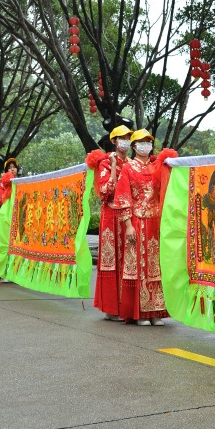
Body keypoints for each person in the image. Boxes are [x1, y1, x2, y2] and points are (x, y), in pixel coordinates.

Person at [112, 129, 176, 326]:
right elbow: (123, 197)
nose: (145, 145)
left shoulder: (159, 166)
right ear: (134, 146)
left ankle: (157, 311)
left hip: (157, 222)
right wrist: (128, 225)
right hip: (138, 222)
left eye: (148, 142)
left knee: (157, 266)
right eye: (140, 142)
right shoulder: (128, 169)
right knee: (140, 266)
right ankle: (140, 313)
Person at [86, 125, 133, 320]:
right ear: (114, 141)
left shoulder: (131, 162)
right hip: (111, 216)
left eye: (128, 138)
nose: (126, 142)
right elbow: (106, 191)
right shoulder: (105, 163)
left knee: (127, 260)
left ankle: (127, 306)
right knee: (111, 259)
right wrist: (114, 167)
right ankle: (111, 307)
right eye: (122, 138)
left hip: (127, 216)